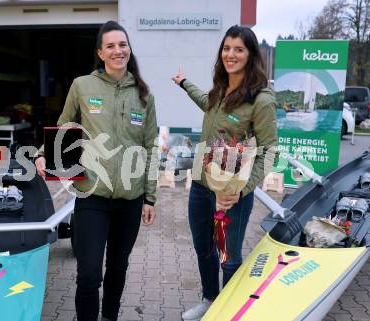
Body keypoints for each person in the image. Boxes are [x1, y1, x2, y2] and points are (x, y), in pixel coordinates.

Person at [35, 21, 158, 321]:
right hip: (92, 195)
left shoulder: (144, 95)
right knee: (89, 273)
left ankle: (110, 317)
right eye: (111, 46)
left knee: (117, 267)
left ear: (129, 49)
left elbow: (151, 147)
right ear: (100, 53)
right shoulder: (82, 86)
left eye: (123, 45)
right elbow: (65, 124)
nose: (118, 50)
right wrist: (42, 154)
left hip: (130, 199)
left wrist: (150, 198)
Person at [171, 25, 278, 321]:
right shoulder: (220, 88)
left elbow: (270, 151)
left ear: (251, 54)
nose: (231, 54)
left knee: (228, 256)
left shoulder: (261, 100)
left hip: (233, 194)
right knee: (203, 247)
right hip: (201, 185)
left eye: (239, 49)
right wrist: (183, 83)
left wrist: (240, 191)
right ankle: (210, 300)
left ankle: (229, 312)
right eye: (227, 48)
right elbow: (206, 103)